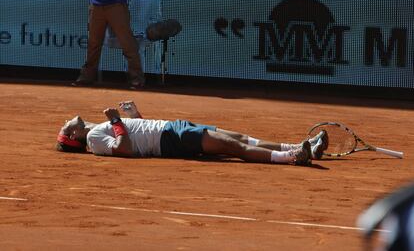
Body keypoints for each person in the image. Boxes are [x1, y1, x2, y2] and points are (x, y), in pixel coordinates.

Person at [56, 101, 328, 166]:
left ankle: (304, 147)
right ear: (74, 135)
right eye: (65, 127)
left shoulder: (95, 131)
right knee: (234, 148)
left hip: (172, 128)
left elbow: (134, 134)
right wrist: (116, 119)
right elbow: (125, 149)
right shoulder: (93, 139)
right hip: (171, 140)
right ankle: (291, 157)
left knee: (241, 138)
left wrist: (132, 116)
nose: (66, 122)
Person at [73, 0, 145, 89]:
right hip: (96, 4)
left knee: (127, 43)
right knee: (93, 43)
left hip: (117, 5)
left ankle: (136, 79)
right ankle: (86, 77)